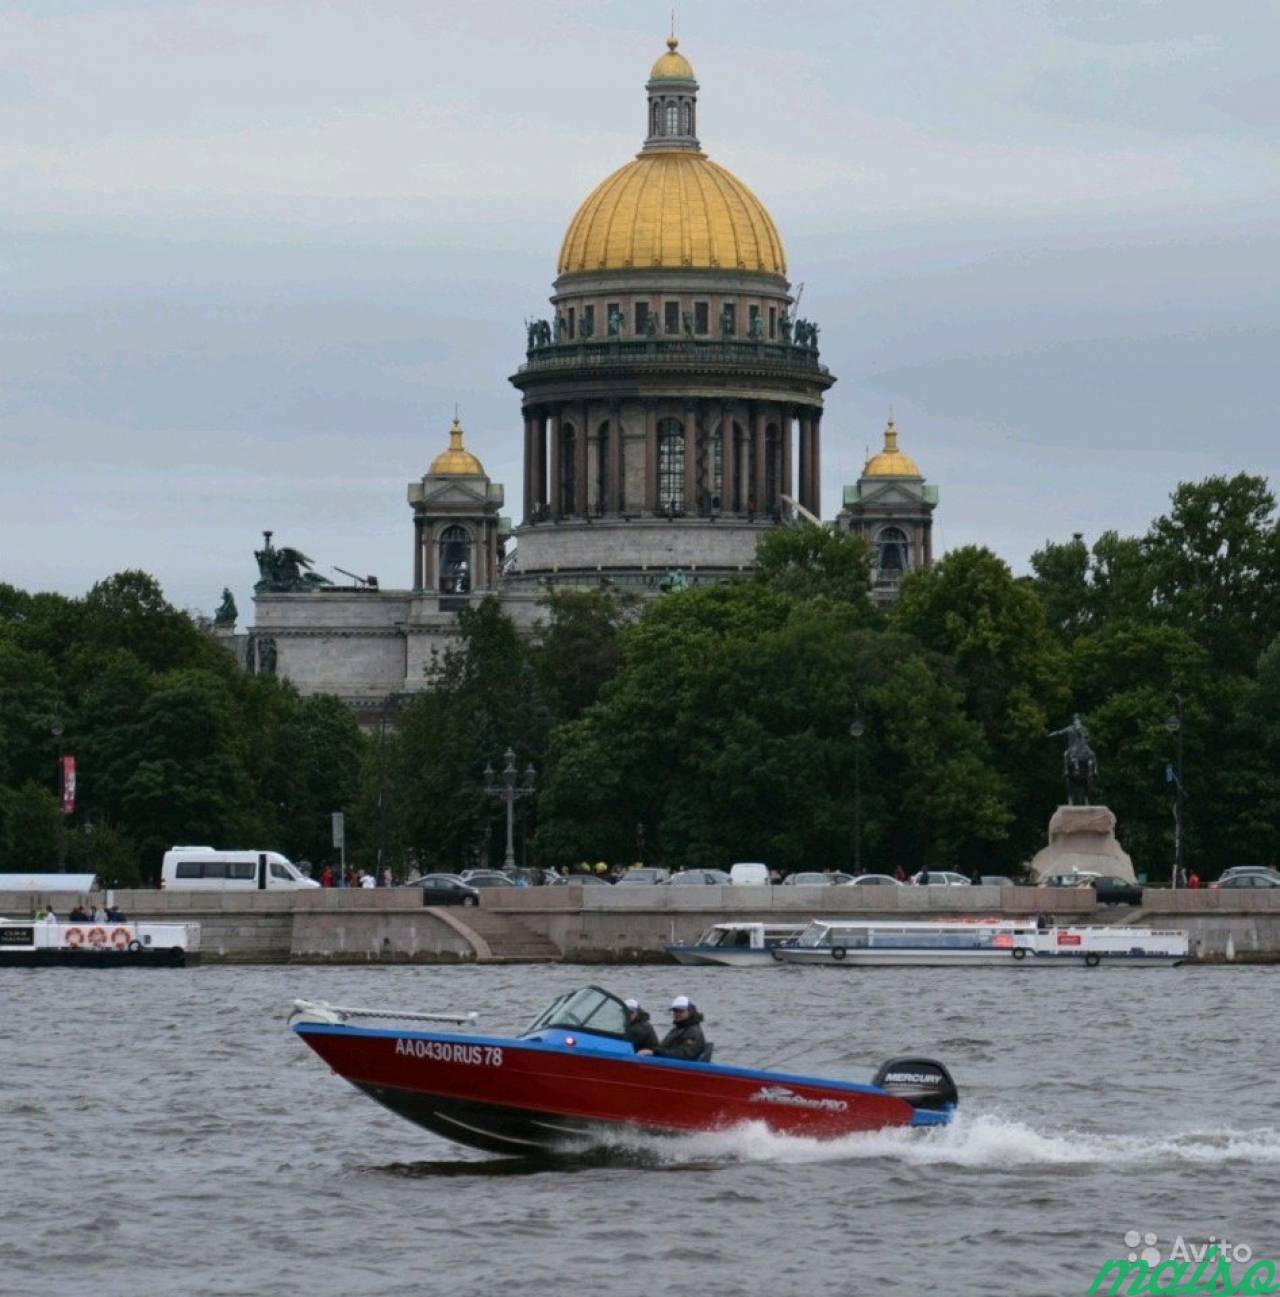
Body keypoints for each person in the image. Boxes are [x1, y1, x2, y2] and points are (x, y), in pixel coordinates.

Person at [639, 996, 707, 1061]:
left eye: (680, 1011)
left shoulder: (693, 1031)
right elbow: (663, 1048)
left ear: (689, 1012)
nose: (677, 1014)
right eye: (675, 1011)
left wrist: (655, 1052)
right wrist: (651, 1051)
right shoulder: (678, 1029)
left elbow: (685, 1055)